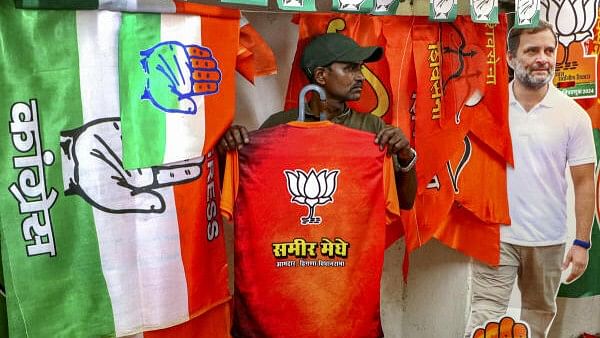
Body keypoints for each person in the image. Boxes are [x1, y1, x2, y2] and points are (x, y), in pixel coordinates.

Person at [466, 20, 595, 338]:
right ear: (510, 58)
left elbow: (584, 182)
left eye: (549, 50)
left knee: (537, 322)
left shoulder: (573, 115)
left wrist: (581, 242)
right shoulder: (486, 107)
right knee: (484, 319)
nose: (543, 58)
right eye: (532, 50)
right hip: (496, 236)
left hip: (548, 241)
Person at [218, 33, 417, 209]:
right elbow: (243, 193)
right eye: (350, 68)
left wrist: (406, 157)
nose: (361, 78)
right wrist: (226, 150)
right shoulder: (279, 126)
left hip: (351, 244)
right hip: (294, 244)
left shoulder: (372, 127)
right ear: (321, 76)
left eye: (360, 69)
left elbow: (405, 202)